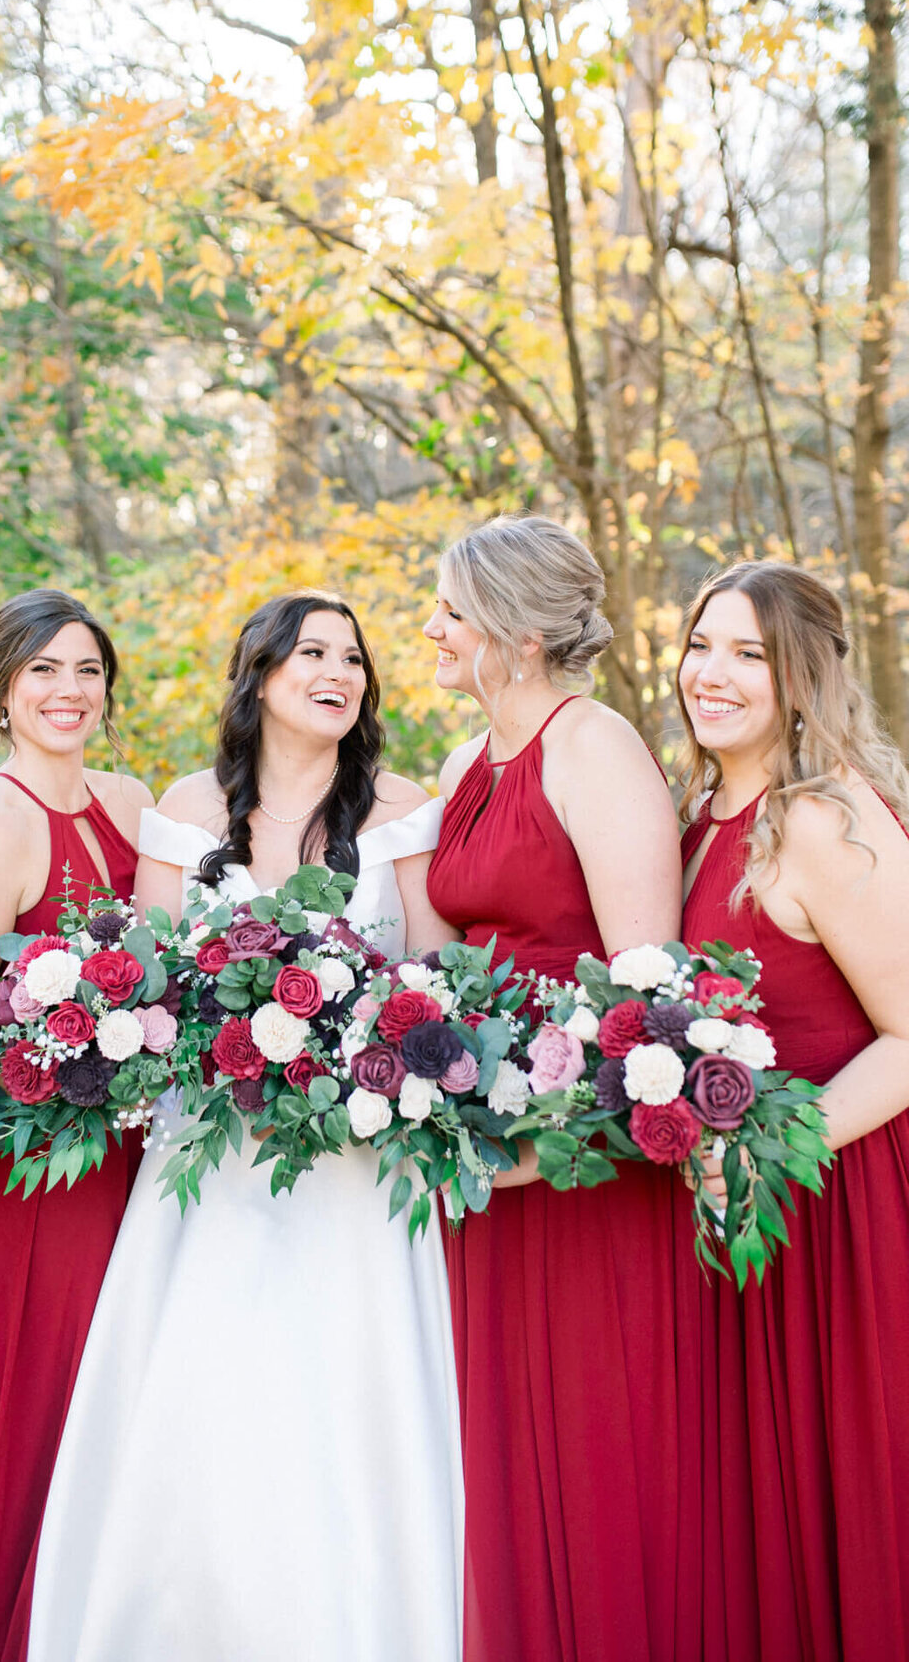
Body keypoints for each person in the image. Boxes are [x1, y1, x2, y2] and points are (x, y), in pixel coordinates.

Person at [27, 591, 465, 1662]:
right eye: (313, 651)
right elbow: (150, 991)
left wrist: (356, 1037)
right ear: (261, 672)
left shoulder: (404, 805)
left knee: (343, 1410)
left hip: (358, 1163)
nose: (340, 671)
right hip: (209, 1163)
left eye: (354, 658)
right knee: (205, 1407)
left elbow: (444, 987)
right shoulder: (184, 806)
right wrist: (233, 1037)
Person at [423, 516, 706, 1662]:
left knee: (594, 1450)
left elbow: (651, 989)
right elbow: (439, 968)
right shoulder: (461, 765)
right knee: (493, 1461)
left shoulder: (595, 750)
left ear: (520, 634)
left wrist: (553, 1136)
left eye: (452, 610)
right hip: (482, 1158)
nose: (432, 630)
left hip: (586, 1161)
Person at [678, 560, 909, 1661]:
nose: (710, 675)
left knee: (855, 1495)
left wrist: (776, 1148)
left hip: (845, 1200)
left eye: (748, 654)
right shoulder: (691, 817)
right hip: (734, 1217)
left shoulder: (824, 818)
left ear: (802, 675)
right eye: (700, 645)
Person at [0, 588, 152, 1662]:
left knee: (123, 1409)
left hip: (129, 1166)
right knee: (42, 1418)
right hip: (26, 1186)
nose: (69, 691)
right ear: (2, 688)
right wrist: (65, 1053)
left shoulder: (134, 804)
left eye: (87, 670)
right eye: (43, 671)